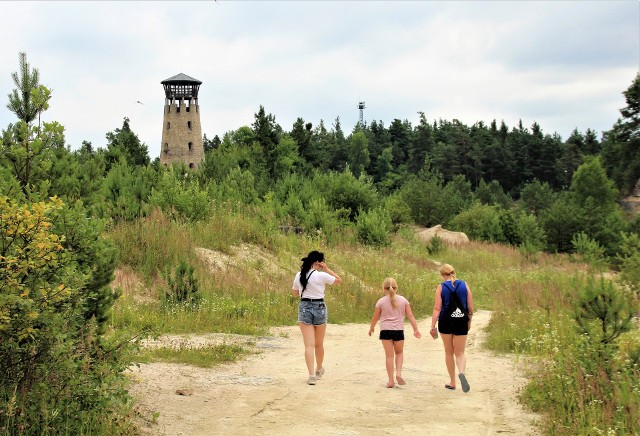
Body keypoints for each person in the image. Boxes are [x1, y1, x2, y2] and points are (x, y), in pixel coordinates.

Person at [291, 250, 342, 385]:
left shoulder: (299, 275)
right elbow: (339, 280)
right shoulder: (321, 276)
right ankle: (319, 368)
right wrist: (327, 269)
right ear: (318, 263)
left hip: (304, 307)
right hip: (319, 307)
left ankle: (311, 376)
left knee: (309, 345)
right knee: (319, 344)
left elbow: (295, 294)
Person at [368, 277, 422, 388]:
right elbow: (410, 316)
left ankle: (391, 381)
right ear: (396, 288)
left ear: (384, 289)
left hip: (385, 331)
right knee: (399, 353)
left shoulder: (381, 302)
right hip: (398, 331)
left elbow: (375, 318)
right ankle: (398, 373)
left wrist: (372, 328)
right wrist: (415, 329)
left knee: (389, 356)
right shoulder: (403, 300)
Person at [429, 263, 474, 393]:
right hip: (461, 321)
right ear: (454, 272)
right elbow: (470, 307)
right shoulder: (464, 285)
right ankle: (462, 372)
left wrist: (433, 326)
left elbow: (437, 308)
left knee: (449, 352)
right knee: (459, 353)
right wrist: (469, 322)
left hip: (445, 322)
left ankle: (453, 382)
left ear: (443, 275)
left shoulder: (441, 287)